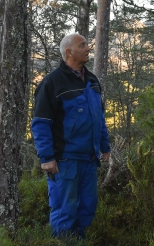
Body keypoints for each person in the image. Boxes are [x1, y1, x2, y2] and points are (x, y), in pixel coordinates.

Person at [31, 33, 111, 240]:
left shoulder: (92, 81)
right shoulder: (52, 83)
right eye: (82, 45)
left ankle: (78, 241)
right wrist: (47, 157)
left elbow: (98, 118)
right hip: (65, 160)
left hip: (89, 159)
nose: (87, 48)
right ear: (69, 52)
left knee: (87, 207)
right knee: (65, 209)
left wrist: (105, 146)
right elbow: (41, 123)